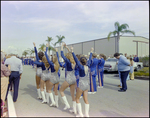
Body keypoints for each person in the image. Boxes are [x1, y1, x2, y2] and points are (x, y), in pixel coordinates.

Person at [71, 46, 90, 117]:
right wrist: (91, 52)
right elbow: (90, 59)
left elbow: (76, 59)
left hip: (81, 84)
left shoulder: (81, 67)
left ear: (80, 62)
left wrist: (72, 51)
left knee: (77, 98)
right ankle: (87, 114)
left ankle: (80, 114)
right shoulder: (87, 66)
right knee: (86, 100)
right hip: (86, 85)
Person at [59, 42, 76, 113]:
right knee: (72, 94)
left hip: (69, 78)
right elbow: (71, 54)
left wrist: (62, 47)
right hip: (74, 78)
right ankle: (74, 110)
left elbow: (62, 55)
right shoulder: (74, 61)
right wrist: (68, 48)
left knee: (61, 90)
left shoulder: (68, 62)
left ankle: (67, 105)